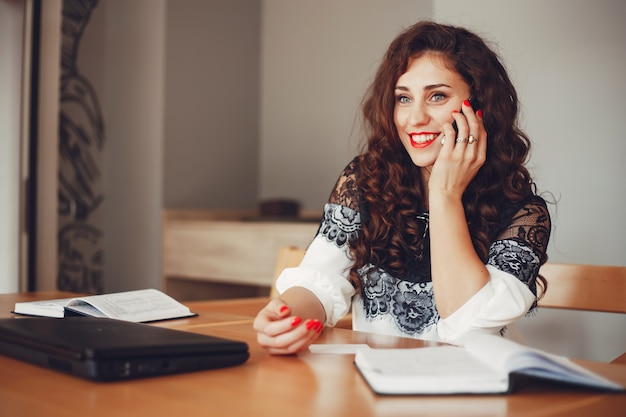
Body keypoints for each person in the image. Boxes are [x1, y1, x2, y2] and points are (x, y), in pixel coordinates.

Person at [253, 21, 551, 355]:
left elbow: (468, 325)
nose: (415, 118)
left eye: (437, 96)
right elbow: (319, 281)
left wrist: (444, 194)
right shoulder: (366, 181)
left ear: (480, 107)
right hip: (375, 394)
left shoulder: (524, 213)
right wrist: (286, 316)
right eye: (403, 98)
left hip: (476, 394)